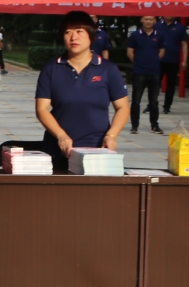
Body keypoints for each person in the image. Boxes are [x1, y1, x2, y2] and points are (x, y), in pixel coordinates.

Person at [35, 10, 129, 170]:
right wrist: (61, 135)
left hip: (96, 150)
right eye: (68, 32)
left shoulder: (108, 69)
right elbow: (42, 109)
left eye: (79, 31)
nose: (74, 37)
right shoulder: (51, 69)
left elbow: (123, 107)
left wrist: (111, 136)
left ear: (91, 35)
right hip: (59, 149)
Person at [126, 15, 165, 134]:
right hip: (139, 72)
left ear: (155, 21)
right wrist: (138, 62)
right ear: (142, 20)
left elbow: (162, 51)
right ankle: (134, 126)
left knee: (154, 101)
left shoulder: (159, 35)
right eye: (146, 19)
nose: (148, 21)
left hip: (154, 71)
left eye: (151, 19)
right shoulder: (135, 35)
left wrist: (154, 61)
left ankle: (154, 125)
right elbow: (130, 51)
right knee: (136, 101)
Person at [158, 17, 188, 115]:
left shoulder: (180, 27)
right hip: (158, 60)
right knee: (154, 83)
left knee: (171, 84)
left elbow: (184, 44)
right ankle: (151, 104)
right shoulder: (157, 25)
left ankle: (167, 106)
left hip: (173, 60)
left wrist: (184, 60)